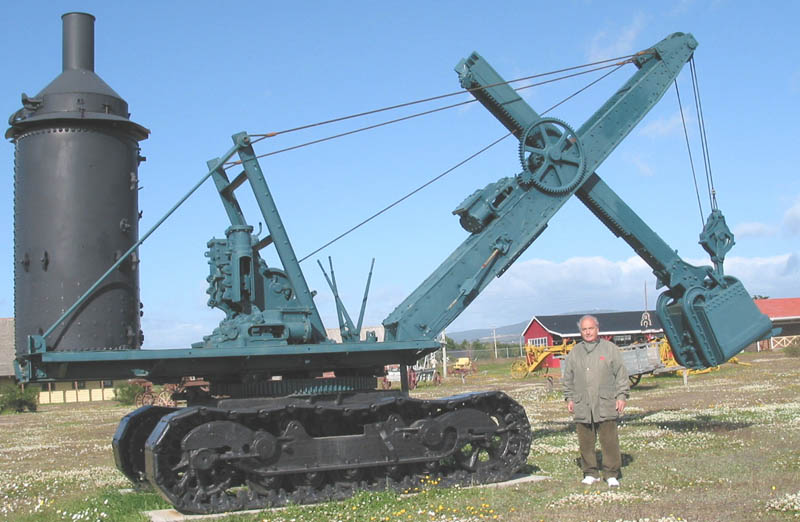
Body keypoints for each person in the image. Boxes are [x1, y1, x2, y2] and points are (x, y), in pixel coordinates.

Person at [563, 315, 629, 487]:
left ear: (597, 329)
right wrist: (569, 398)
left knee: (609, 440)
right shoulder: (575, 352)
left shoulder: (610, 349)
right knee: (585, 441)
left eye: (590, 328)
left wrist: (621, 396)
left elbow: (621, 375)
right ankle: (590, 472)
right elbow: (568, 378)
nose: (588, 332)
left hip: (606, 402)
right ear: (580, 332)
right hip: (582, 404)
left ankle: (611, 473)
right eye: (584, 329)